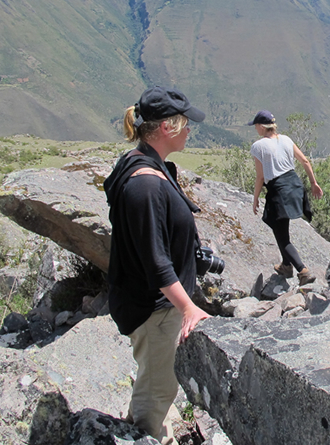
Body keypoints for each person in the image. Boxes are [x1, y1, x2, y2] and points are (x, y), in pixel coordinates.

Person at [103, 86, 211, 444]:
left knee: (158, 382)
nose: (190, 130)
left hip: (154, 304)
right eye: (185, 124)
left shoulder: (146, 164)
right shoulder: (145, 185)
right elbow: (156, 262)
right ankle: (141, 435)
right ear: (167, 127)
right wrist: (189, 308)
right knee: (157, 389)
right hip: (154, 309)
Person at [249, 110, 324, 285]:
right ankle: (286, 265)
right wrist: (313, 183)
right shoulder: (286, 140)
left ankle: (303, 271)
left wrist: (255, 199)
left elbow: (260, 177)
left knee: (280, 234)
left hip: (279, 190)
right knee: (282, 226)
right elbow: (304, 161)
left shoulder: (258, 146)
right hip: (295, 184)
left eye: (255, 126)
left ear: (261, 126)